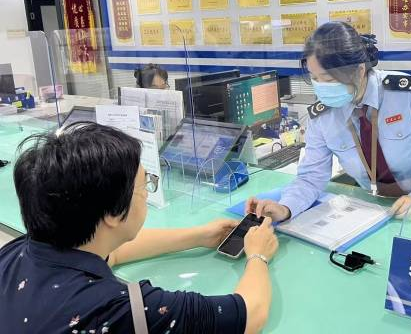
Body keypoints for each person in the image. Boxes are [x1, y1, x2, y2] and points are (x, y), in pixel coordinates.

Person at [0, 122, 278, 334]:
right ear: (112, 213)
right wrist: (258, 255)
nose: (147, 191)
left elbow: (112, 253)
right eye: (145, 185)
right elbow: (250, 314)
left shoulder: (20, 251)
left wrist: (200, 235)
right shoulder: (120, 310)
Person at [247, 21, 411, 221]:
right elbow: (311, 177)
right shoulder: (323, 116)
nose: (321, 87)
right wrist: (285, 208)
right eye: (314, 78)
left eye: (328, 79)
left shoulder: (408, 94)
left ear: (359, 70)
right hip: (374, 205)